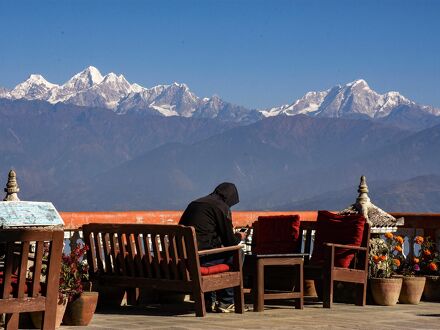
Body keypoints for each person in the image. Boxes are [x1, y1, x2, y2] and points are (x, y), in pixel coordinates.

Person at [179, 182, 246, 313]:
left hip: (185, 256)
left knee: (215, 252)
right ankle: (226, 301)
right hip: (200, 258)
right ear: (230, 197)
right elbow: (230, 243)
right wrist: (239, 236)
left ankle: (208, 300)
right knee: (238, 254)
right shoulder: (221, 207)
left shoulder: (195, 203)